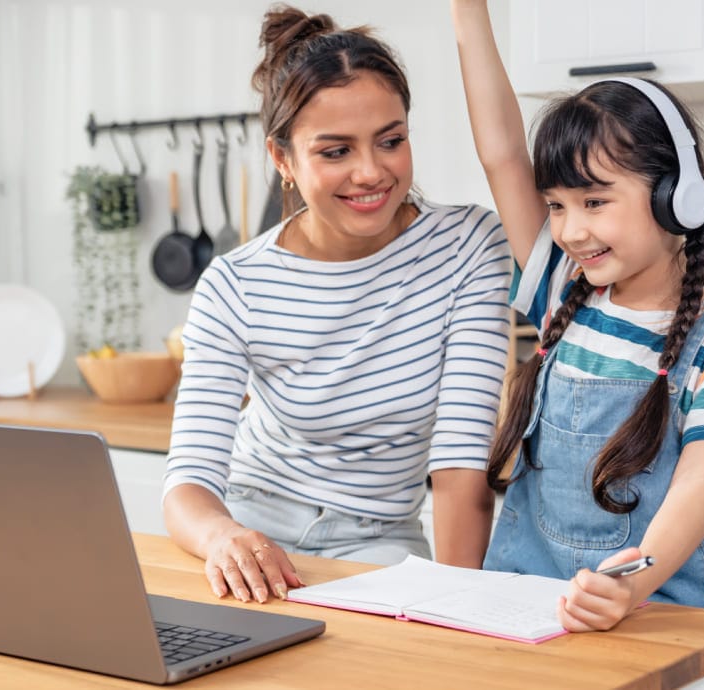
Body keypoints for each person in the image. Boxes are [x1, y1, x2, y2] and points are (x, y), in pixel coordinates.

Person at [450, 2, 704, 687]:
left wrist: (629, 583)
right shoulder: (560, 297)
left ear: (676, 198)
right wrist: (467, 10)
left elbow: (697, 486)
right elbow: (501, 153)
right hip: (540, 628)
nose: (570, 230)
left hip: (671, 633)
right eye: (557, 205)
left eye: (595, 201)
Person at [163, 5, 511, 607]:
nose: (370, 172)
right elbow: (189, 481)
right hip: (248, 528)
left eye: (391, 141)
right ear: (283, 160)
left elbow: (460, 463)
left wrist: (463, 605)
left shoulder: (468, 247)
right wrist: (223, 536)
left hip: (379, 543)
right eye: (335, 152)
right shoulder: (235, 283)